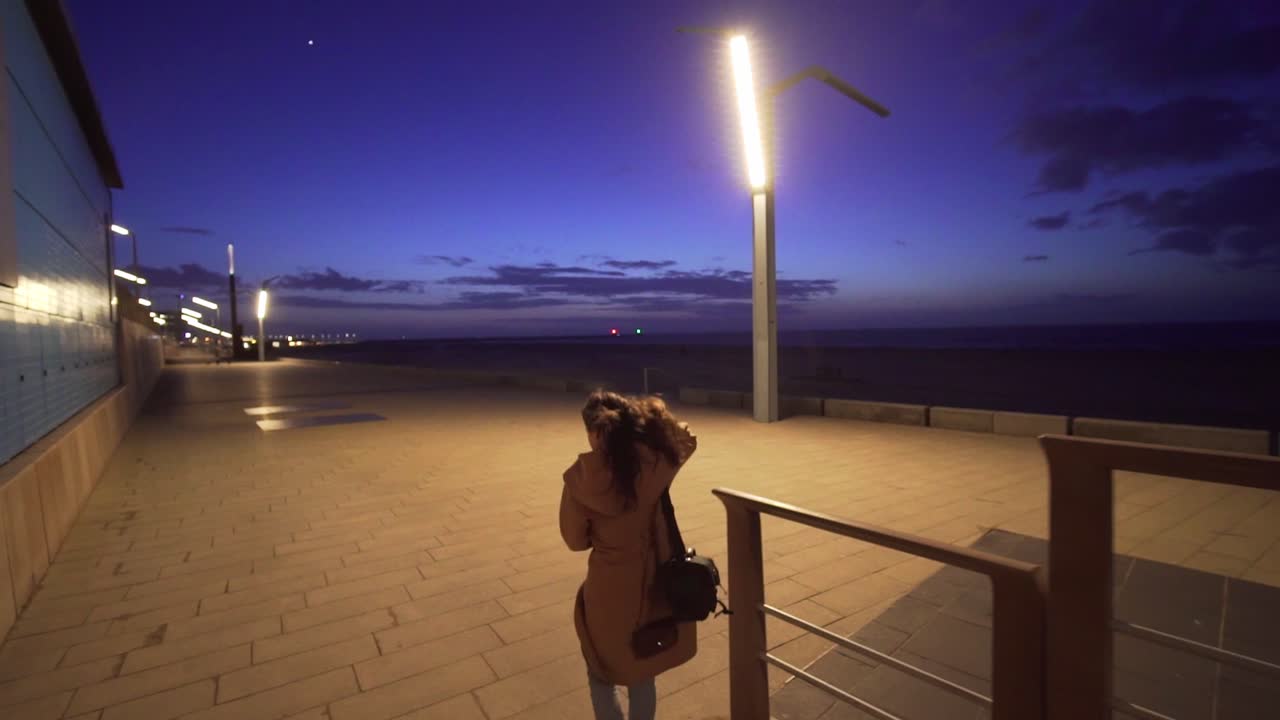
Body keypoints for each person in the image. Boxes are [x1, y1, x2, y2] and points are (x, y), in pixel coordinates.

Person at [560, 390, 699, 720]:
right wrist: (646, 422)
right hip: (651, 585)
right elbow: (687, 438)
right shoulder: (652, 463)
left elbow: (575, 540)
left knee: (599, 669)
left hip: (607, 589)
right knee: (642, 669)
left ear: (593, 432)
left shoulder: (582, 478)